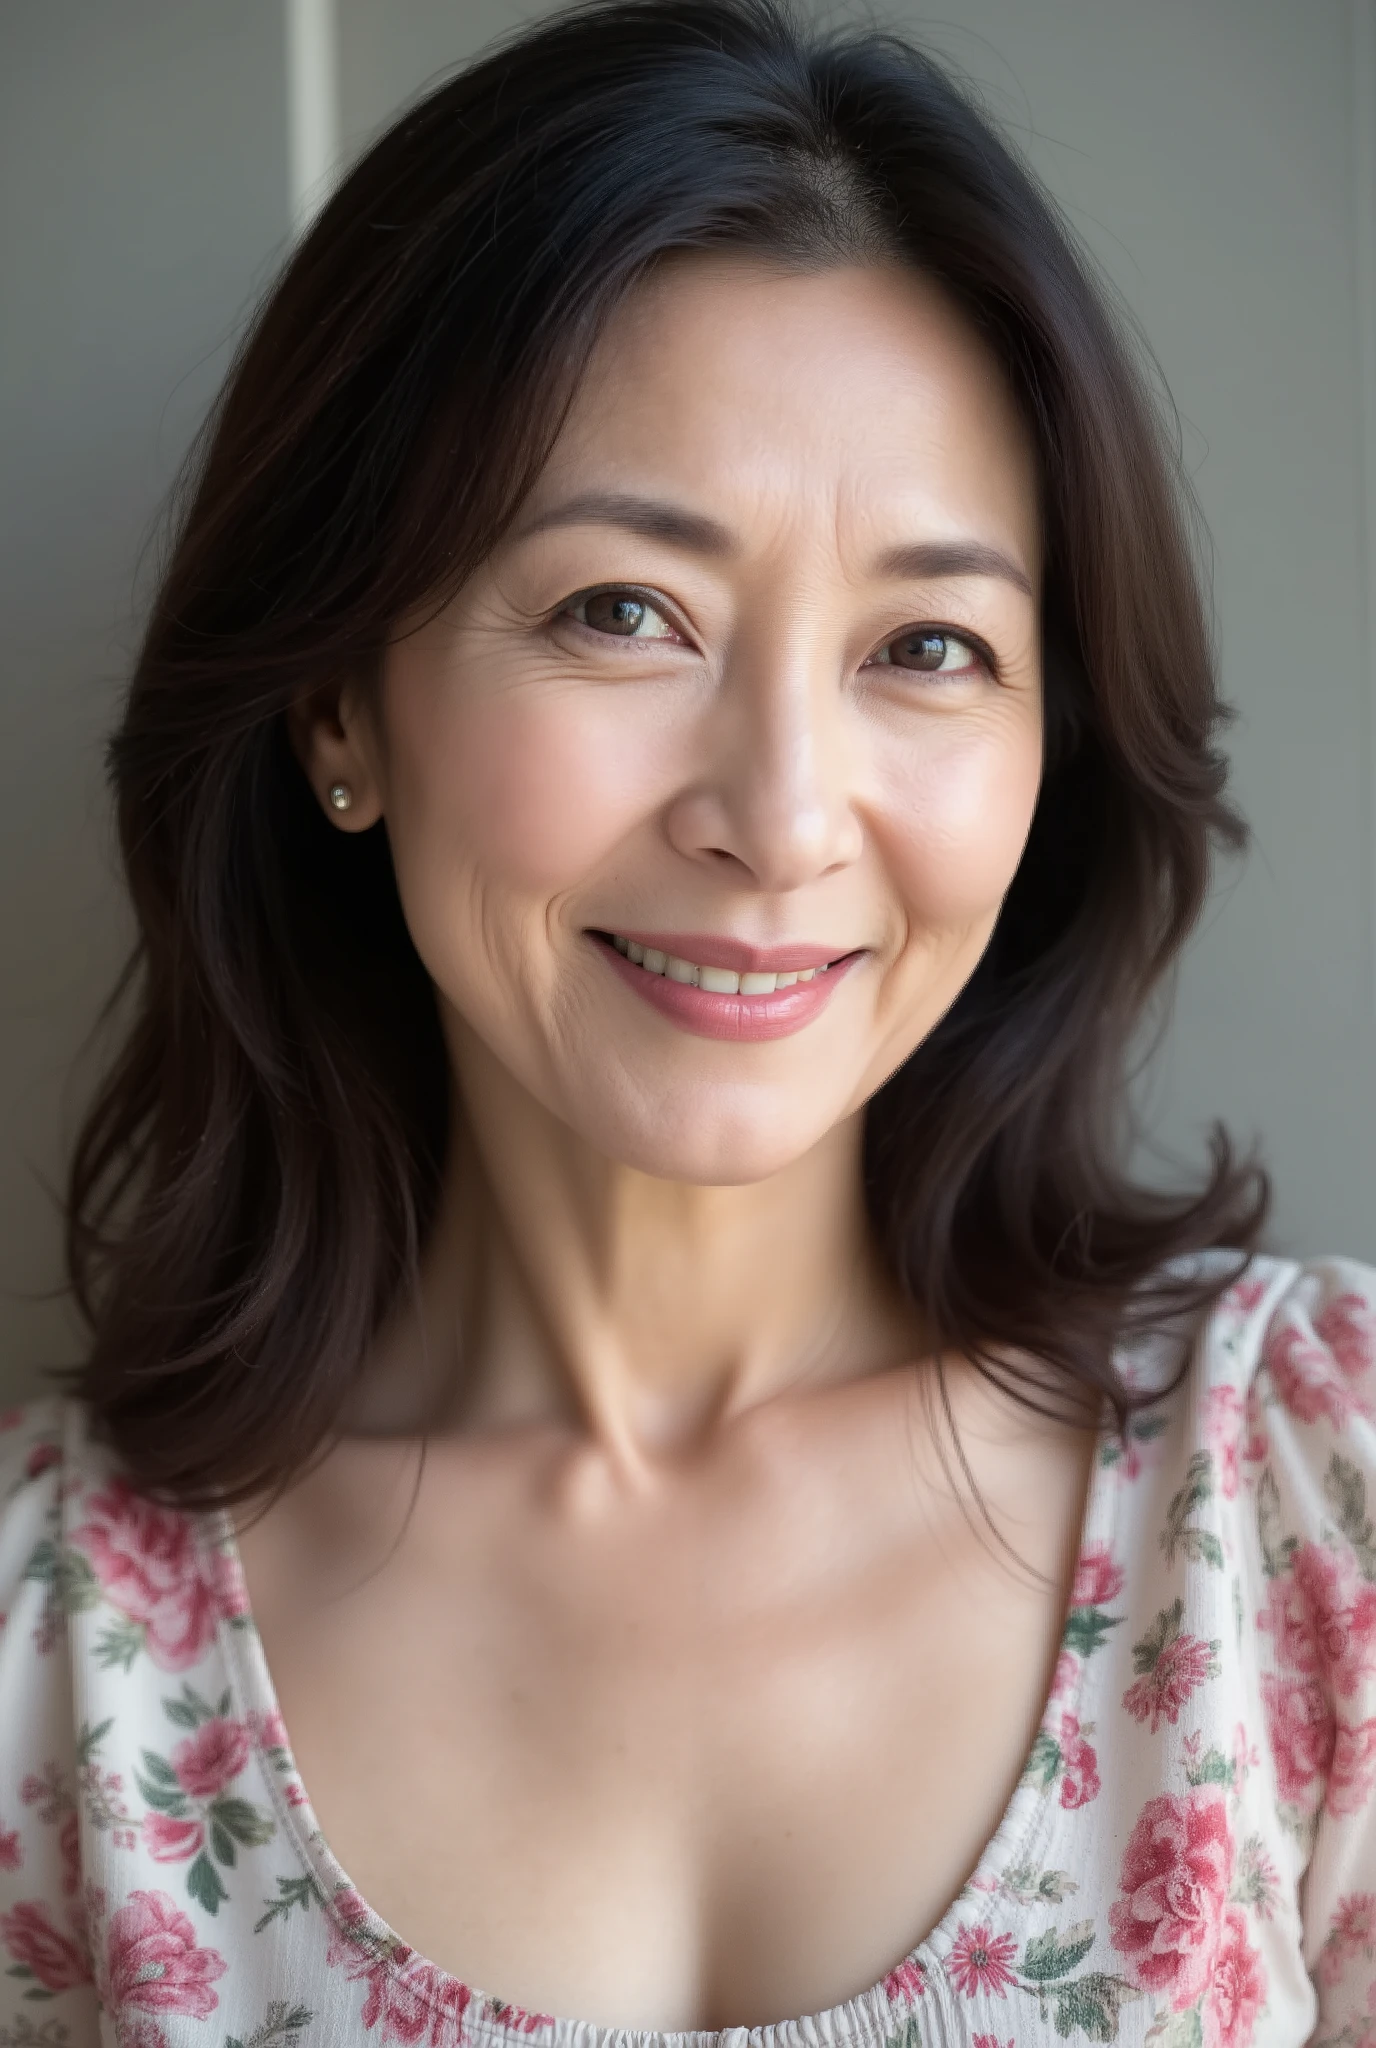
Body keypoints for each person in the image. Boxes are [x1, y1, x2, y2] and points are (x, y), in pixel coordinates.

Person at [2, 0, 1373, 2039]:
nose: (782, 817)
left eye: (926, 645)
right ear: (338, 705)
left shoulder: (1313, 1496)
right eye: (618, 612)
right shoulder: (50, 1660)